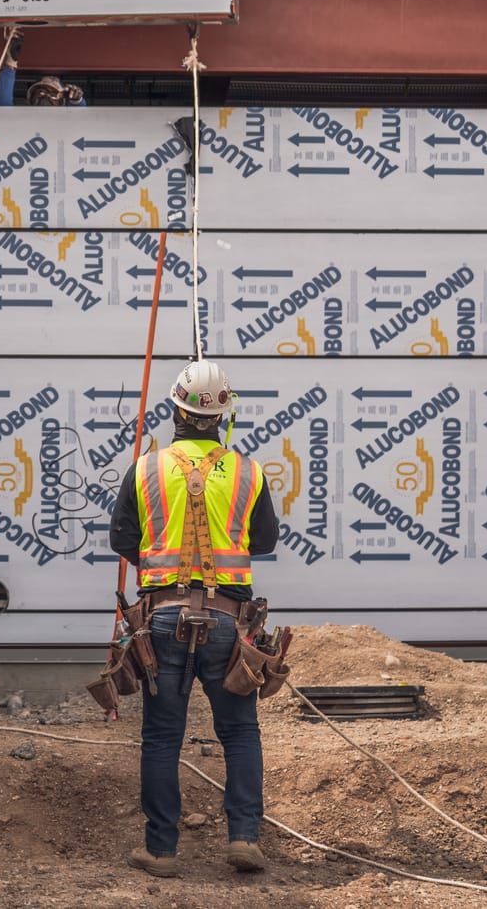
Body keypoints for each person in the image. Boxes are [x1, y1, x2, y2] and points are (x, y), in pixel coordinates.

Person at [109, 359, 280, 878]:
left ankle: (161, 850)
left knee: (163, 737)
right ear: (223, 416)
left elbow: (122, 539)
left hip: (162, 620)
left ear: (175, 411)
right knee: (240, 731)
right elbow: (264, 541)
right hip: (229, 621)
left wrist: (162, 568)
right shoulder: (248, 471)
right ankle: (244, 838)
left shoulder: (145, 469)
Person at [0, 29, 86, 107]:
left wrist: (77, 101)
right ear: (29, 100)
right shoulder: (19, 121)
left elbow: (79, 118)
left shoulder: (66, 122)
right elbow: (2, 108)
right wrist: (11, 63)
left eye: (53, 93)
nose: (45, 95)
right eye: (41, 91)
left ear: (61, 102)